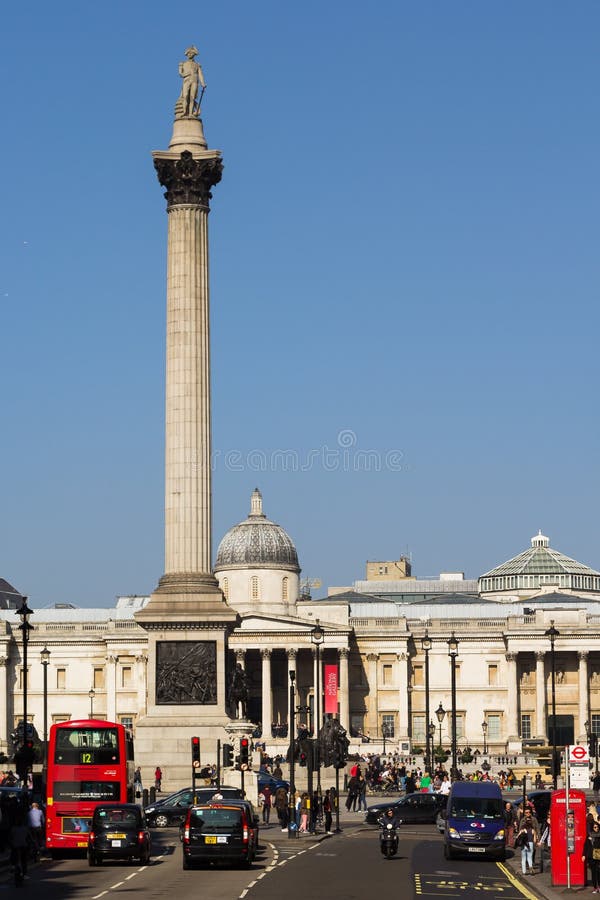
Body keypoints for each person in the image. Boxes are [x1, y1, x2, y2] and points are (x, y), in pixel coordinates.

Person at [515, 808, 539, 874]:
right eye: (526, 812)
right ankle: (531, 867)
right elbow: (535, 835)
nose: (528, 813)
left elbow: (518, 835)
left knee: (523, 858)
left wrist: (517, 842)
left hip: (524, 843)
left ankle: (524, 871)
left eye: (529, 812)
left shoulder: (534, 819)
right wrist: (536, 840)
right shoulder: (523, 820)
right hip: (530, 843)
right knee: (530, 857)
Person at [584, 820, 600, 891]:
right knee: (593, 872)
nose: (596, 828)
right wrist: (584, 855)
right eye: (595, 827)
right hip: (591, 856)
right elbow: (586, 846)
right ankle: (595, 887)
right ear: (592, 828)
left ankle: (599, 886)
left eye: (597, 827)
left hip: (599, 855)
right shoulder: (589, 835)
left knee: (599, 871)